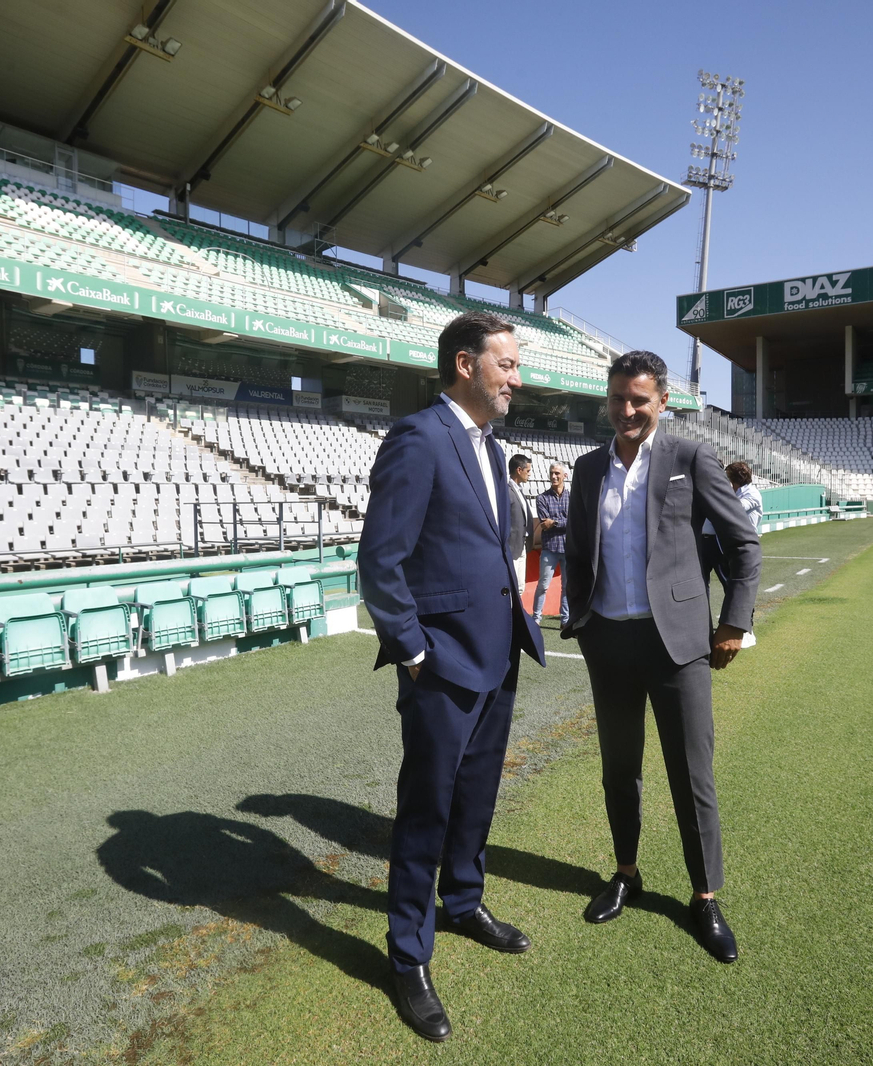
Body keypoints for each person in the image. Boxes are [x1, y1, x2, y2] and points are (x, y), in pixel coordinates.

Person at [357, 310, 546, 1042]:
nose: (517, 379)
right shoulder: (418, 437)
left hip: (497, 654)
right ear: (466, 365)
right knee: (427, 809)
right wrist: (412, 650)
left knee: (477, 796)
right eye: (507, 365)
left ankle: (463, 903)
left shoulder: (488, 445)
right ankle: (408, 954)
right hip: (440, 662)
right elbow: (381, 559)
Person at [561, 350, 761, 963]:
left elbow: (743, 543)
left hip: (678, 645)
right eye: (618, 398)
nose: (626, 410)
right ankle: (626, 872)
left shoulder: (689, 457)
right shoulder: (588, 467)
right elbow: (578, 551)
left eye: (639, 400)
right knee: (619, 769)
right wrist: (579, 616)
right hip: (609, 642)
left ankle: (704, 896)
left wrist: (733, 622)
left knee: (690, 772)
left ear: (661, 402)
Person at [533, 463, 570, 628]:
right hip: (550, 548)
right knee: (543, 585)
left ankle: (565, 619)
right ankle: (536, 618)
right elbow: (544, 523)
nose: (553, 476)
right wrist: (564, 523)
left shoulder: (573, 497)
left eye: (557, 473)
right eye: (551, 473)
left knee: (567, 587)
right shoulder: (541, 498)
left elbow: (575, 523)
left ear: (564, 476)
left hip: (569, 549)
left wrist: (554, 522)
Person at [507, 453, 535, 582]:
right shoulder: (507, 491)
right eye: (528, 470)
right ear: (519, 470)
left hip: (521, 546)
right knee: (513, 587)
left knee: (520, 587)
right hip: (512, 548)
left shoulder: (518, 490)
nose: (529, 474)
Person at [727, 461, 763, 534]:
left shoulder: (752, 493)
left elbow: (738, 508)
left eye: (727, 476)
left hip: (746, 539)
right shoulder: (733, 491)